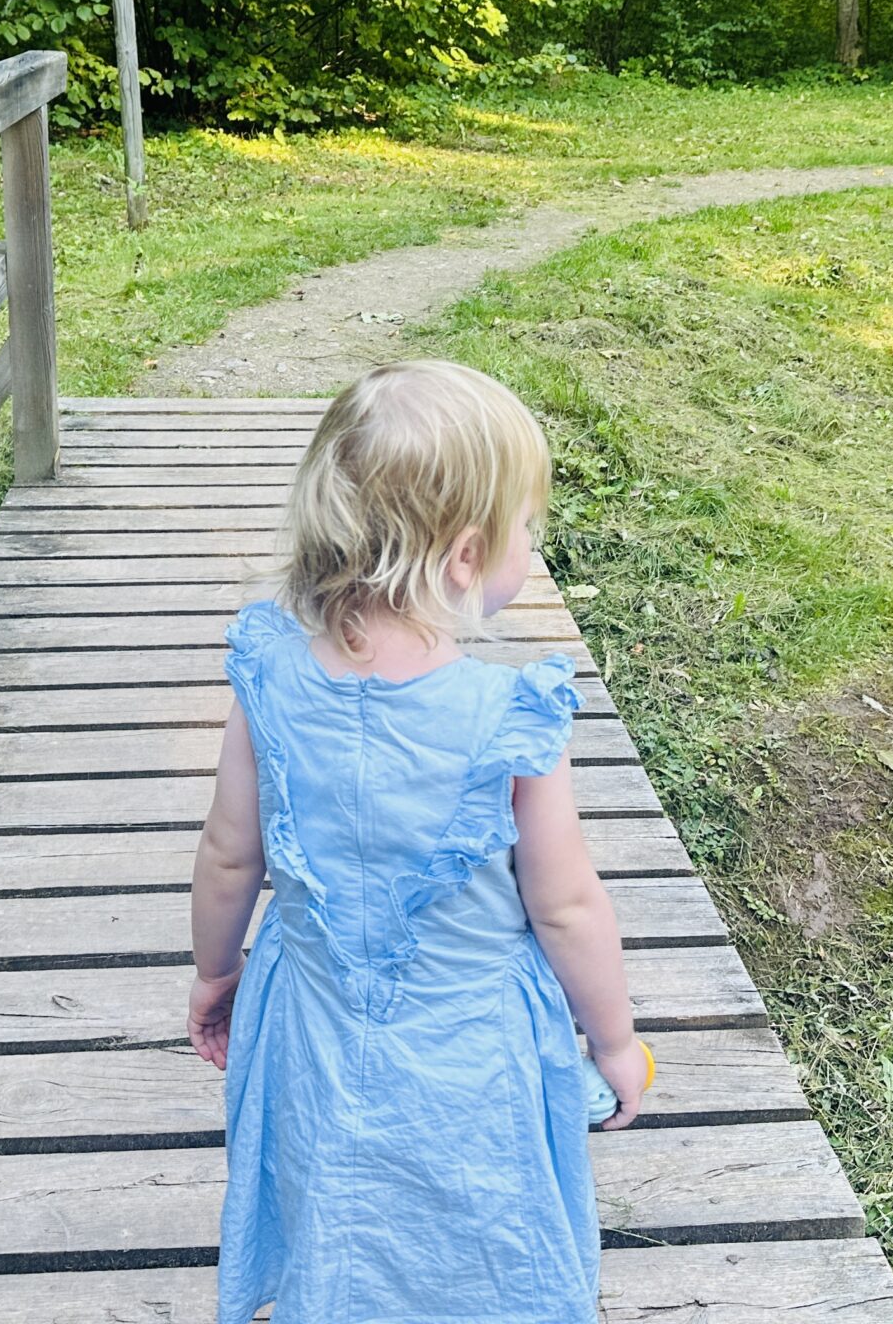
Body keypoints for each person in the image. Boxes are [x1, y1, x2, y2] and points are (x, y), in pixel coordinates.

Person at [188, 360, 644, 1324]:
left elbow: (232, 854)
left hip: (311, 1015)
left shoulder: (268, 674)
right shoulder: (509, 719)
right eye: (530, 528)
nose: (534, 545)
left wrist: (213, 973)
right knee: (484, 1218)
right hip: (470, 1047)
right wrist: (614, 1039)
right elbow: (566, 907)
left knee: (335, 1199)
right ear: (467, 556)